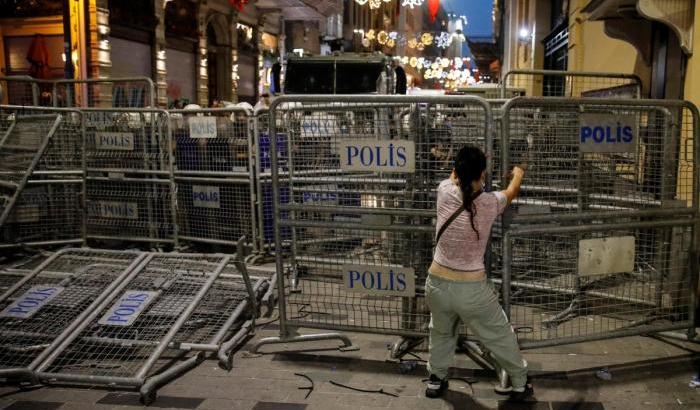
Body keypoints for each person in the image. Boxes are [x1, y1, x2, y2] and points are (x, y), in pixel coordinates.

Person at [424, 145, 533, 402]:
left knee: (440, 332)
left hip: (437, 283)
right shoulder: (489, 203)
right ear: (482, 174)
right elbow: (512, 192)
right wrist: (518, 173)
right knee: (499, 335)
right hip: (471, 289)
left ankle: (436, 379)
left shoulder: (444, 191)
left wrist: (472, 167)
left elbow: (455, 178)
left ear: (457, 170)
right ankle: (519, 383)